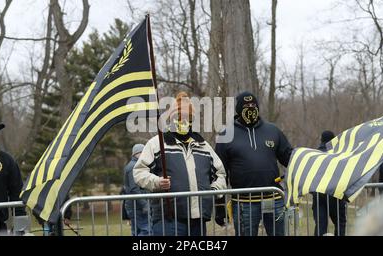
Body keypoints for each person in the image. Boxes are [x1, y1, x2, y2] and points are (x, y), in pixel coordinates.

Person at [133, 92, 227, 236]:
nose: (182, 120)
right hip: (168, 220)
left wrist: (213, 191)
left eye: (187, 117)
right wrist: (157, 182)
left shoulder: (204, 146)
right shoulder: (157, 144)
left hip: (198, 219)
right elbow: (139, 172)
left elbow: (220, 174)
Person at [215, 91, 293, 236]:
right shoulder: (226, 135)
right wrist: (219, 205)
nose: (250, 108)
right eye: (246, 106)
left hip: (274, 199)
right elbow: (219, 172)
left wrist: (306, 162)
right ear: (238, 110)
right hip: (244, 202)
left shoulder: (273, 130)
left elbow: (290, 158)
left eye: (253, 105)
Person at [312, 131, 347, 236]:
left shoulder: (314, 155)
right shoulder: (339, 154)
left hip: (318, 194)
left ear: (321, 140)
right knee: (340, 223)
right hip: (335, 193)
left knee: (320, 225)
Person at [123, 144, 150, 236]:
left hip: (135, 204)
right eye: (143, 152)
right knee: (147, 230)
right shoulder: (133, 167)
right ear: (137, 153)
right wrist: (144, 204)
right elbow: (134, 189)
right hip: (137, 206)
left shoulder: (136, 166)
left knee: (137, 231)